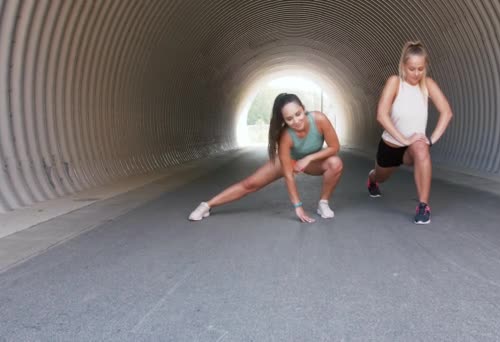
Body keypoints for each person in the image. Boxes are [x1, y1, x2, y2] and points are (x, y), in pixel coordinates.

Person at [189, 93, 343, 223]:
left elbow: (334, 147)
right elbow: (288, 175)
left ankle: (323, 203)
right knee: (250, 184)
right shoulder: (286, 136)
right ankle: (207, 205)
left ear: (303, 109)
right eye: (289, 119)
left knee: (335, 163)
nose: (296, 121)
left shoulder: (319, 120)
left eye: (298, 114)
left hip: (310, 163)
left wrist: (309, 159)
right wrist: (298, 206)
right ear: (284, 120)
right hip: (288, 161)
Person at [367, 41, 453, 224]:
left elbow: (447, 112)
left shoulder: (428, 84)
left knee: (422, 148)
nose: (416, 73)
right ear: (403, 66)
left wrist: (431, 140)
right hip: (391, 146)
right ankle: (372, 179)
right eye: (412, 68)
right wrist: (404, 139)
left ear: (425, 67)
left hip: (412, 147)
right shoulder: (395, 82)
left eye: (420, 69)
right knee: (381, 176)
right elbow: (381, 116)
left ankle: (423, 206)